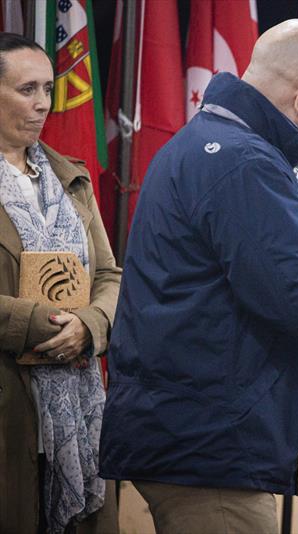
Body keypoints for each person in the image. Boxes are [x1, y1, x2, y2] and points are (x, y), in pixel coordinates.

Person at [98, 20, 298, 534]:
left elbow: (217, 308)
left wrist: (284, 406)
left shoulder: (199, 143)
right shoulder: (247, 164)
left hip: (189, 432)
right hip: (208, 452)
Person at [0, 33, 121, 533]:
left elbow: (110, 275)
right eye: (28, 89)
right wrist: (45, 324)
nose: (44, 104)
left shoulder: (71, 177)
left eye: (49, 88)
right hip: (11, 411)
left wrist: (89, 325)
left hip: (80, 408)